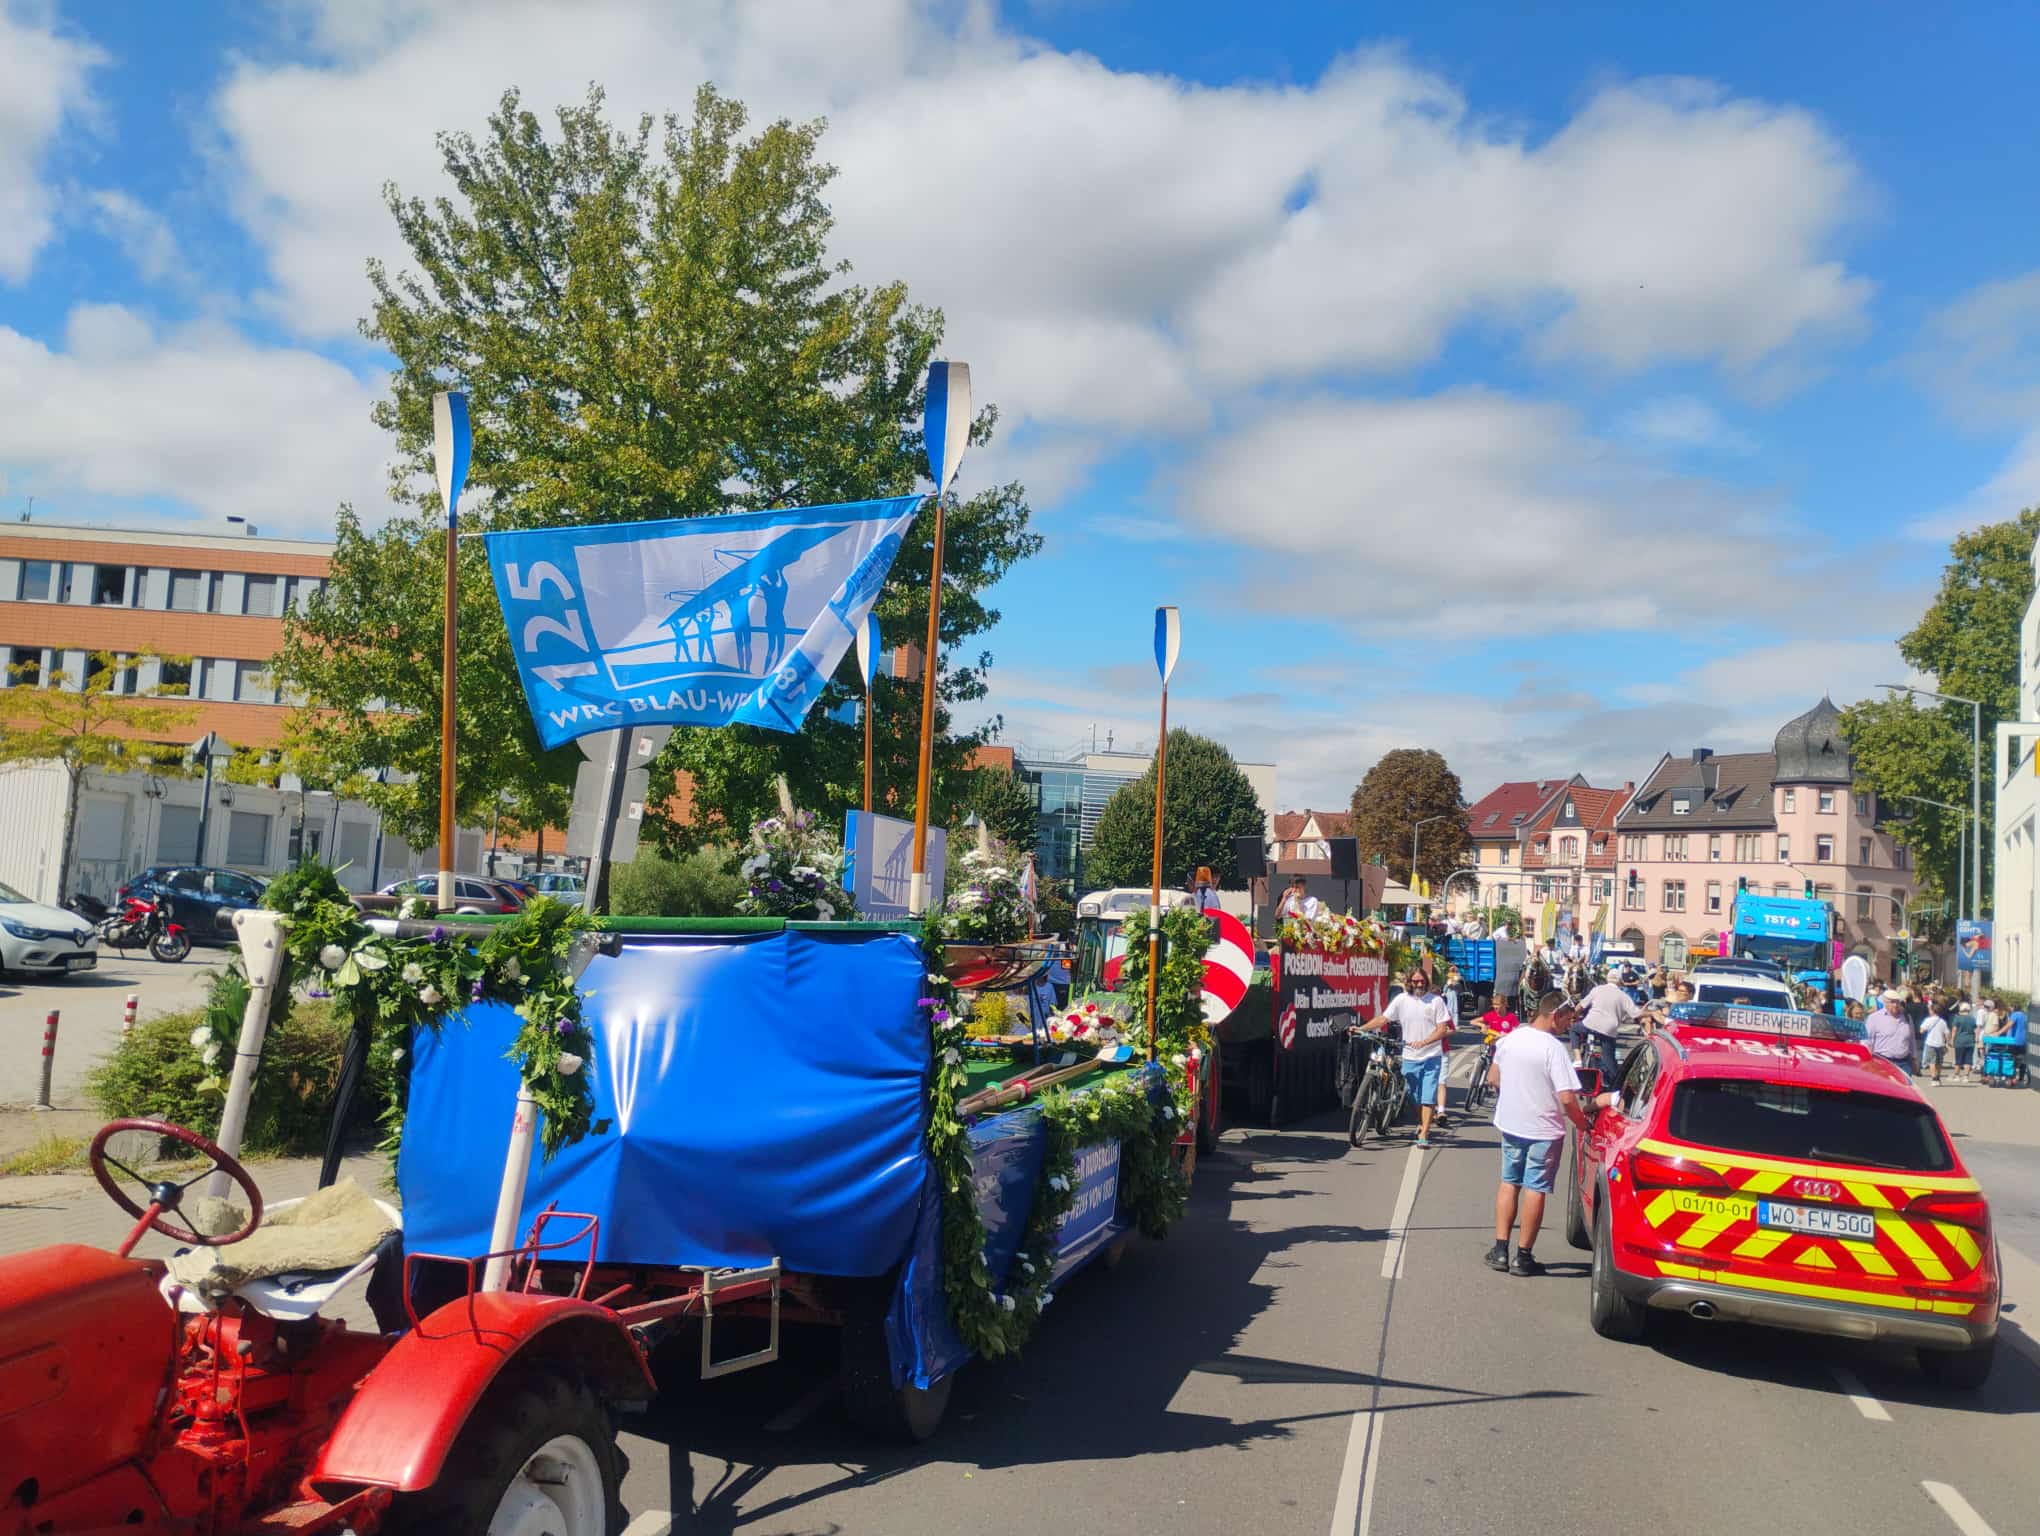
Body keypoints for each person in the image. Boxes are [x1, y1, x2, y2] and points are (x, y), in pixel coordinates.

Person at [1485, 989, 1608, 1277]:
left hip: (1512, 1125)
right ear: (1556, 1015)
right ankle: (1523, 1257)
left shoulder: (1510, 1039)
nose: (1569, 1024)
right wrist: (1582, 1123)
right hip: (1544, 1130)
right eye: (1567, 1019)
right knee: (1535, 1189)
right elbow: (1567, 1098)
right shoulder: (1553, 1049)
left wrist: (1516, 1095)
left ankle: (1500, 1250)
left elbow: (1493, 1078)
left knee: (1509, 1183)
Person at [1364, 968, 1454, 1148]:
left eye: (1422, 981)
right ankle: (1422, 1122)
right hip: (1410, 1057)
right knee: (1414, 1096)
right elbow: (1383, 1019)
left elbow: (1442, 1029)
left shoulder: (1436, 1001)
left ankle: (1424, 1133)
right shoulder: (1401, 1000)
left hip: (1432, 1056)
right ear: (1409, 982)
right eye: (1415, 981)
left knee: (1428, 1096)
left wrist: (1425, 1042)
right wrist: (1361, 1028)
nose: (1419, 984)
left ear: (1426, 982)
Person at [1574, 969, 1638, 1082]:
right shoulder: (1623, 996)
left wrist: (1574, 1016)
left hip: (1589, 1024)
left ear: (1607, 979)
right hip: (1608, 1031)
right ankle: (1615, 1084)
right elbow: (1636, 1014)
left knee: (1574, 1029)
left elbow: (1581, 1006)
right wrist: (1650, 1013)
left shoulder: (1597, 989)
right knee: (1610, 1060)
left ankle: (1578, 1059)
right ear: (1620, 982)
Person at [1863, 989, 1915, 1077]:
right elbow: (1867, 1041)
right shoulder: (1874, 1018)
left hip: (1904, 1063)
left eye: (1897, 1002)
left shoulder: (1906, 1017)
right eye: (1892, 1002)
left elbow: (1912, 1039)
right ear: (1884, 1002)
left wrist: (1914, 1059)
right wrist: (1868, 1060)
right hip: (1882, 1062)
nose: (1895, 1005)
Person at [1919, 999, 1949, 1086]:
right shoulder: (1942, 1021)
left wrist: (1924, 1030)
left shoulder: (1928, 1020)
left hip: (1930, 1043)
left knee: (1932, 1062)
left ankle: (1933, 1078)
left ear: (1932, 1011)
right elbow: (1947, 1033)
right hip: (1940, 1043)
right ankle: (1938, 1077)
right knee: (1939, 1062)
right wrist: (1947, 1042)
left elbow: (1921, 1030)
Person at [1951, 1000, 1978, 1084]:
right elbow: (1976, 1030)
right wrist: (1976, 1038)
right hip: (1970, 1041)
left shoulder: (1957, 1018)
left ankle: (1956, 1075)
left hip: (1959, 1041)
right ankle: (1966, 1076)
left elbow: (1954, 1030)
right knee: (1968, 1059)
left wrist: (1952, 1040)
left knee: (1958, 1059)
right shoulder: (1972, 1019)